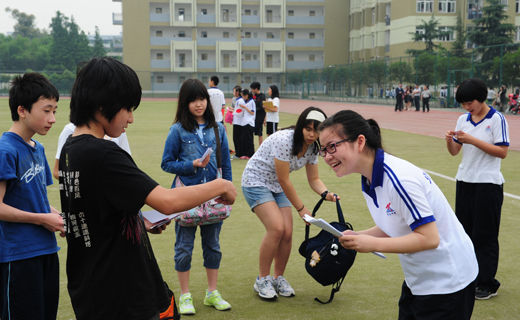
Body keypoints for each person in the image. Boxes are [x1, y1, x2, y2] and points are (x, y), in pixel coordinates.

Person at [58, 57, 236, 320]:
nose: (130, 118)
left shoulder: (70, 149)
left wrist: (140, 220)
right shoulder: (104, 153)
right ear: (101, 104)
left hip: (92, 287)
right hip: (123, 295)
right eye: (127, 108)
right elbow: (167, 201)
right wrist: (221, 185)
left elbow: (97, 213)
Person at [319, 109, 478, 320]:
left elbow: (429, 238)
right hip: (420, 281)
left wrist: (371, 244)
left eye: (332, 147)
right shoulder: (369, 178)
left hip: (448, 282)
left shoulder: (399, 179)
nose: (327, 157)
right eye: (322, 150)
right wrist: (358, 235)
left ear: (359, 141)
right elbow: (396, 223)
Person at [241, 106, 337, 300]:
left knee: (287, 232)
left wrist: (325, 193)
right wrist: (301, 209)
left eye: (316, 130)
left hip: (276, 185)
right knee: (276, 228)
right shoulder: (285, 140)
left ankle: (278, 278)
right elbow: (285, 180)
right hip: (255, 181)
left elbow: (314, 180)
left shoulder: (314, 147)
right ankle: (262, 279)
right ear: (301, 126)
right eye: (308, 128)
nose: (311, 134)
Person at [161, 79, 232, 315]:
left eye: (202, 99)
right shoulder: (177, 130)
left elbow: (226, 164)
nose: (199, 104)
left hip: (214, 197)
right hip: (185, 198)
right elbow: (167, 163)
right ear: (185, 103)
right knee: (183, 248)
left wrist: (227, 190)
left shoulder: (218, 128)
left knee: (213, 246)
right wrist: (191, 164)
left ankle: (212, 293)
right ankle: (185, 295)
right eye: (193, 100)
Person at [0, 73, 63, 320]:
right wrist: (41, 219)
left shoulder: (39, 148)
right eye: (46, 111)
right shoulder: (6, 150)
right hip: (18, 256)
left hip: (46, 251)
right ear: (22, 110)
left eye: (55, 110)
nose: (53, 119)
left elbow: (38, 200)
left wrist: (57, 216)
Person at [445, 78, 509, 300]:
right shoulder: (463, 119)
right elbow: (455, 152)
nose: (466, 107)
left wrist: (471, 140)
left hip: (488, 184)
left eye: (469, 102)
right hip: (465, 181)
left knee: (485, 235)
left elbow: (502, 151)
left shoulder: (497, 119)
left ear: (482, 98)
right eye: (462, 103)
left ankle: (487, 283)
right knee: (464, 233)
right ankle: (468, 278)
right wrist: (450, 140)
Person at [52, 122, 131, 179]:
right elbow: (57, 172)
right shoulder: (71, 129)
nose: (131, 120)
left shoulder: (118, 130)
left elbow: (128, 167)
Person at [235, 88, 256, 159]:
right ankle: (246, 154)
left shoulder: (251, 101)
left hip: (249, 123)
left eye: (243, 96)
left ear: (246, 95)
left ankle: (251, 154)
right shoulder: (246, 101)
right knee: (245, 139)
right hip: (244, 122)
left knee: (249, 139)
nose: (243, 98)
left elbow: (252, 112)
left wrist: (245, 107)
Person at [250, 81, 266, 146]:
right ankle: (251, 148)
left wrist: (264, 119)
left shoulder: (262, 96)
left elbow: (262, 107)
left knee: (260, 134)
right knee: (251, 133)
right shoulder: (251, 95)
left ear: (256, 89)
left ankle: (260, 149)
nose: (251, 90)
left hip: (259, 118)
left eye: (252, 89)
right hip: (252, 118)